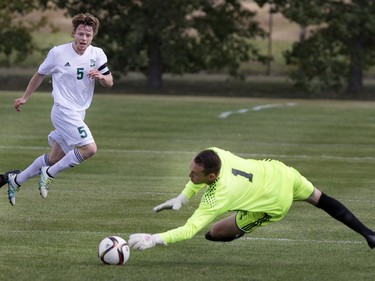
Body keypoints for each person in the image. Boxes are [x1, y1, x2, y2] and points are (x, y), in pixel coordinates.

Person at [129, 147, 375, 250]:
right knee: (321, 199)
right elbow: (198, 177)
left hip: (274, 202)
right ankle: (369, 234)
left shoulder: (217, 197)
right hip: (281, 172)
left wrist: (154, 239)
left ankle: (243, 225)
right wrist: (183, 197)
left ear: (212, 176)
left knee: (213, 233)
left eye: (194, 174)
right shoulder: (214, 153)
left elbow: (189, 230)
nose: (189, 175)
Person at [6, 13, 113, 206]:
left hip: (79, 112)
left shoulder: (97, 54)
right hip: (63, 110)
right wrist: (25, 97)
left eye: (88, 35)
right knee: (89, 149)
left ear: (93, 37)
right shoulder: (58, 53)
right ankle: (49, 174)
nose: (84, 38)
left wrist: (101, 77)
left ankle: (16, 180)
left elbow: (109, 81)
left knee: (54, 157)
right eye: (80, 34)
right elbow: (39, 74)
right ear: (73, 33)